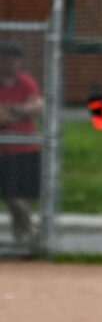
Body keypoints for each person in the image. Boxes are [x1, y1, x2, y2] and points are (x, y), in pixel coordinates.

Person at [0, 42, 44, 254]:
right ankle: (30, 233)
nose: (11, 62)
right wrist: (20, 111)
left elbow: (37, 107)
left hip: (26, 147)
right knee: (11, 197)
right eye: (7, 57)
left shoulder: (26, 82)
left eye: (15, 58)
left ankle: (21, 244)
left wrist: (15, 110)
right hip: (4, 150)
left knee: (18, 197)